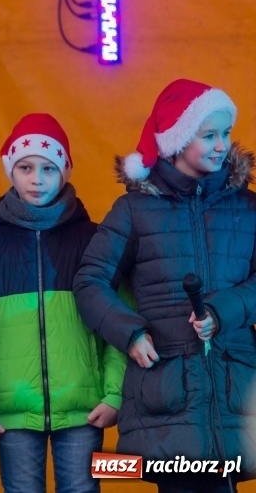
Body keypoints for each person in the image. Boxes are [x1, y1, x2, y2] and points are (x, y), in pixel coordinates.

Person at [73, 78, 256, 492]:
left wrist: (223, 312)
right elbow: (90, 281)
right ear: (176, 140)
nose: (220, 145)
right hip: (167, 393)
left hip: (234, 390)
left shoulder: (248, 208)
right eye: (207, 135)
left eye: (225, 133)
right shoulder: (134, 210)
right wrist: (130, 333)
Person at [0, 113, 126, 493]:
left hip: (85, 409)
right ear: (11, 171)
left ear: (64, 172)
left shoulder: (96, 240)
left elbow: (118, 323)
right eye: (26, 167)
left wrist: (115, 393)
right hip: (11, 412)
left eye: (49, 168)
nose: (37, 178)